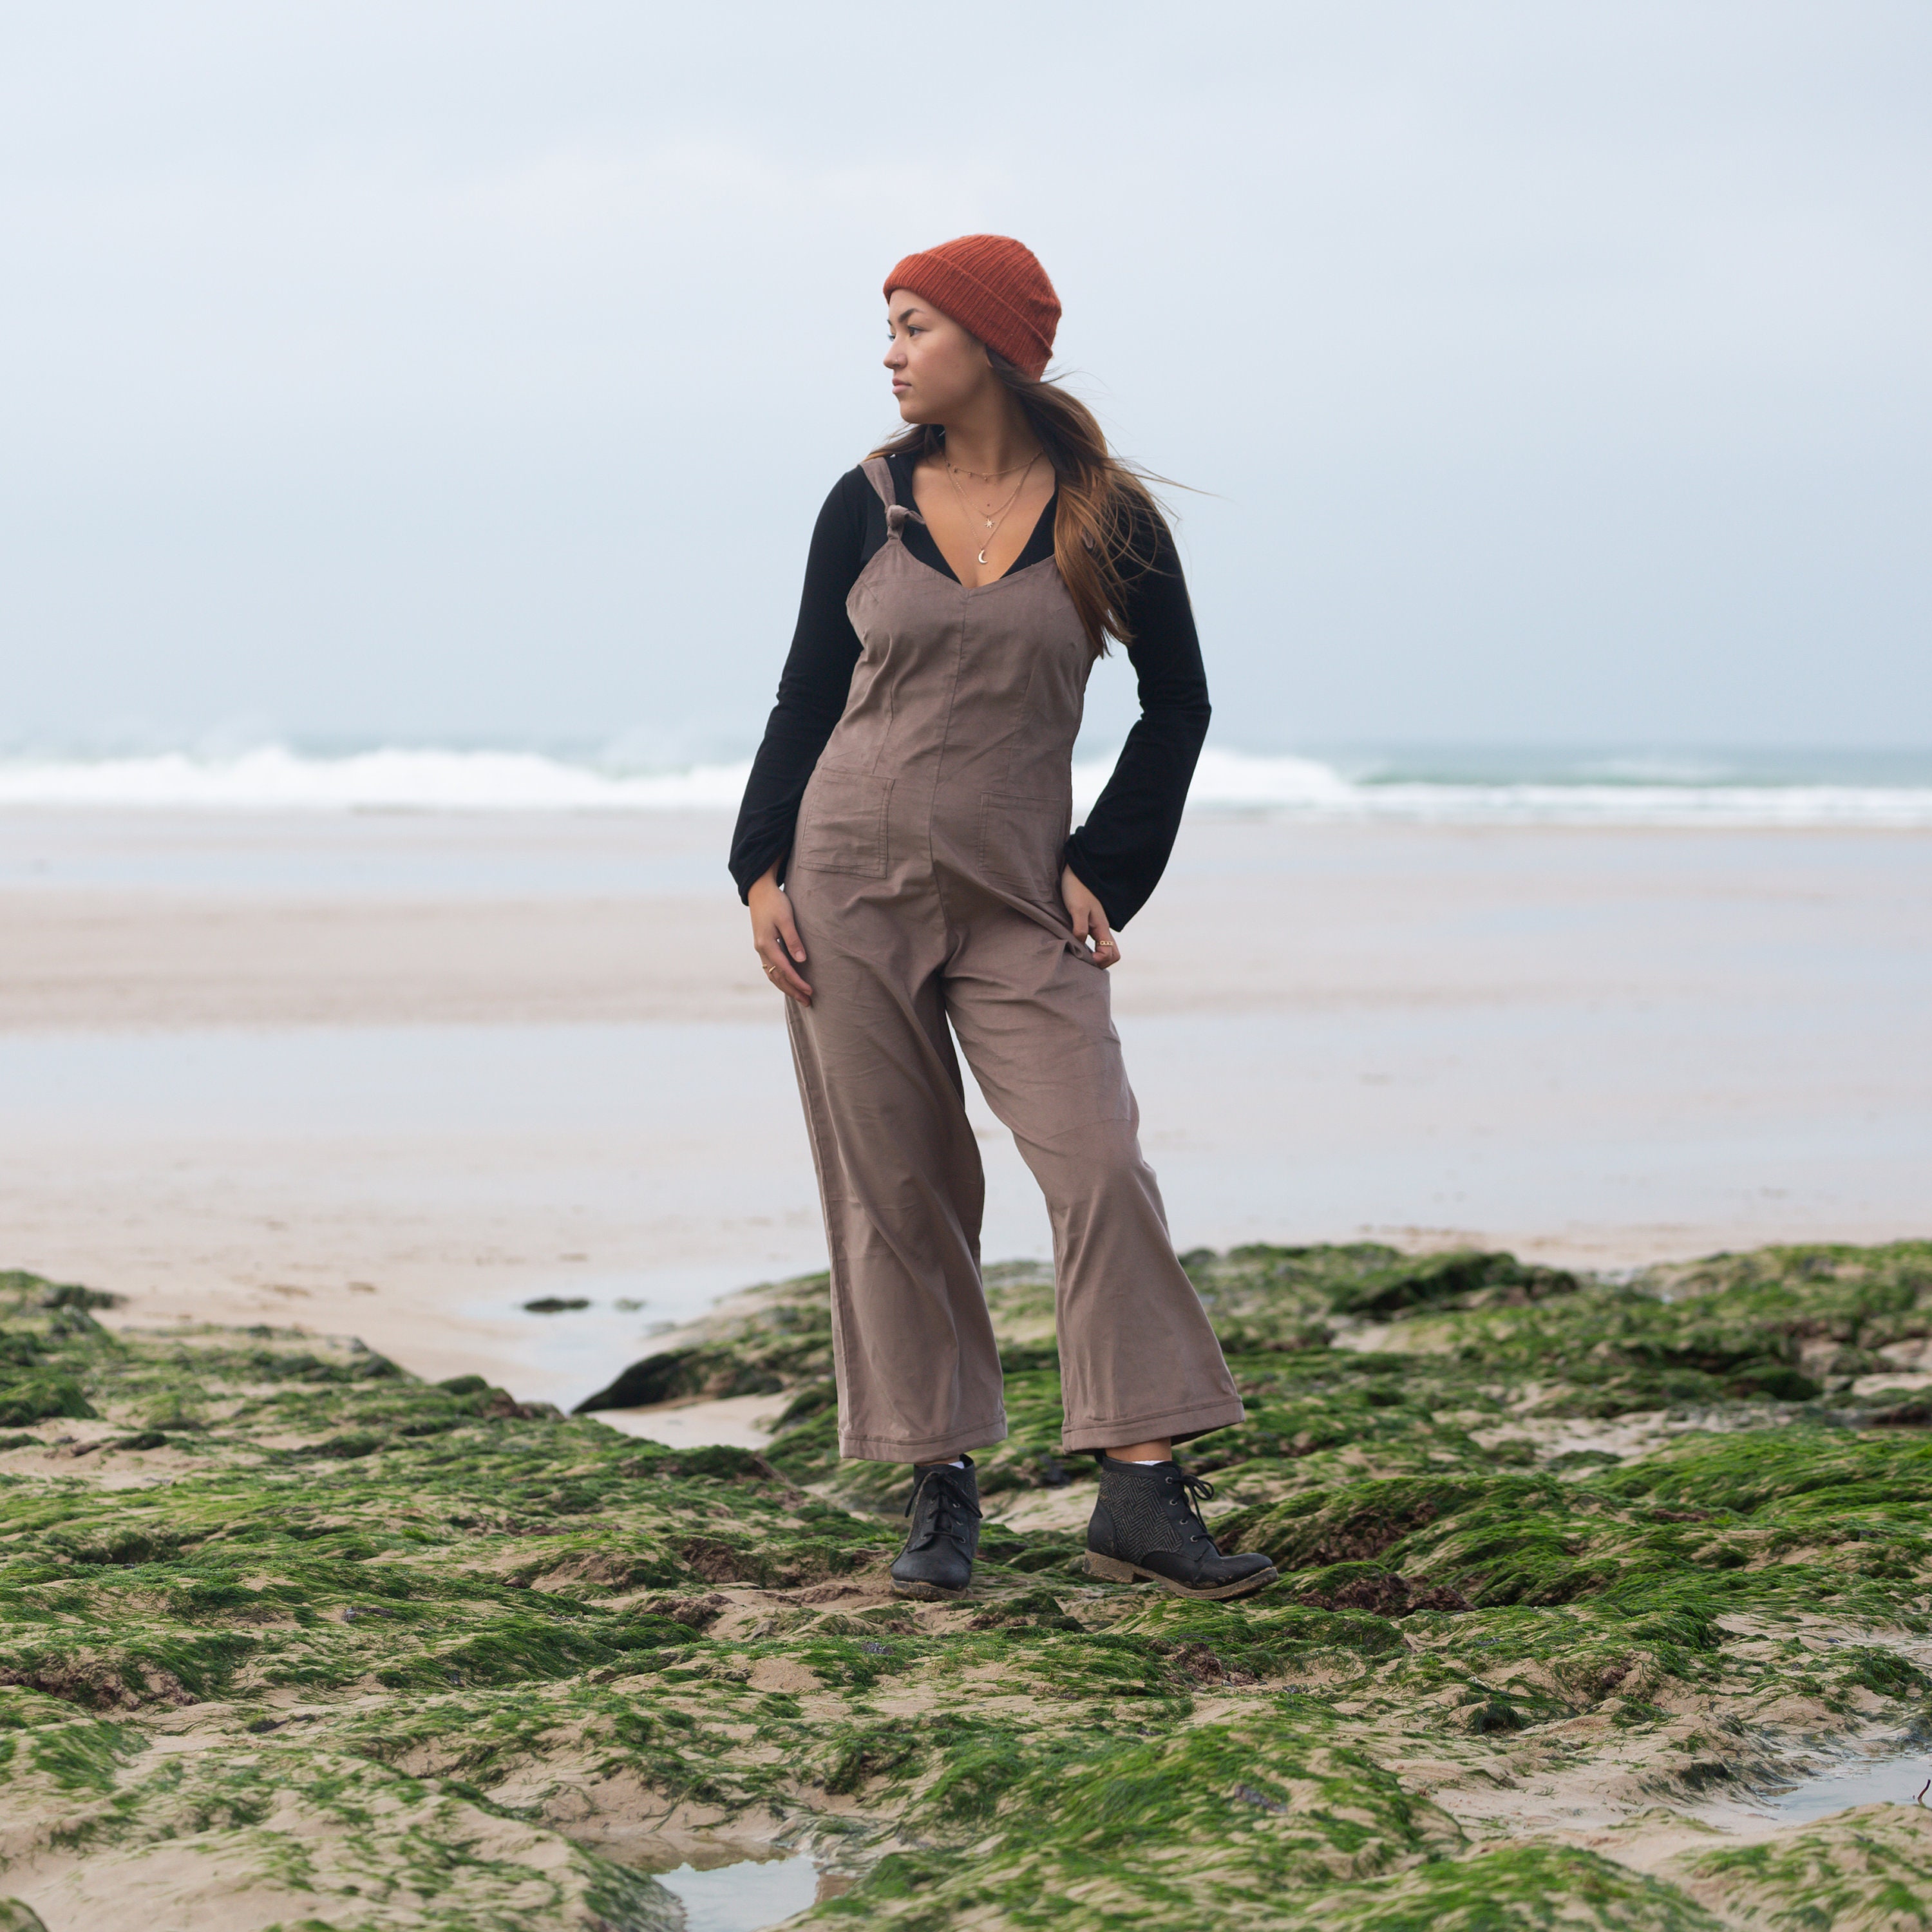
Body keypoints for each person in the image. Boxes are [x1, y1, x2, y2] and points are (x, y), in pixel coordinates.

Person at [729, 234, 1276, 1605]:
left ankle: (1141, 1488)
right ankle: (939, 1480)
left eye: (915, 325)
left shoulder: (1107, 516)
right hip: (845, 882)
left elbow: (1179, 702)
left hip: (1021, 896)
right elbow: (806, 696)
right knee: (902, 1187)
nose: (891, 353)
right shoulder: (865, 503)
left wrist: (1111, 865)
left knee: (1099, 1162)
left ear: (990, 343)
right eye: (891, 326)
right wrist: (756, 869)